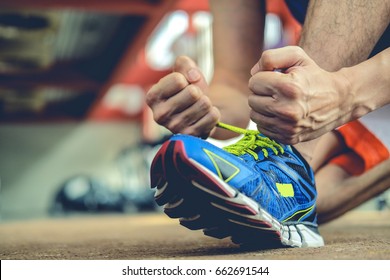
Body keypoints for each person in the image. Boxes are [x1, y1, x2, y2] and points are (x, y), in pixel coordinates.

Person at [145, 0, 390, 248]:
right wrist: (202, 107)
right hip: (348, 73)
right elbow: (233, 84)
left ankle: (291, 164)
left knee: (290, 176)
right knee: (308, 202)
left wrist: (346, 92)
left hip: (374, 79)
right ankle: (292, 173)